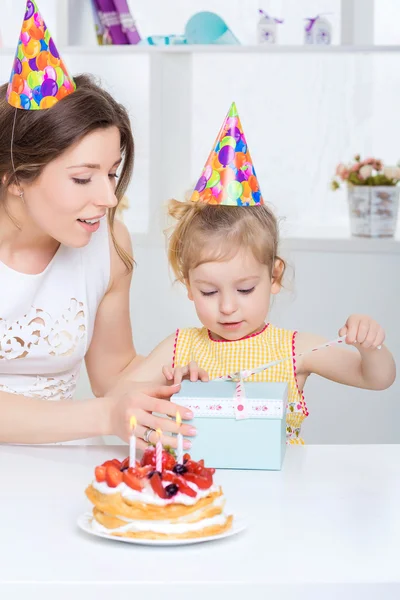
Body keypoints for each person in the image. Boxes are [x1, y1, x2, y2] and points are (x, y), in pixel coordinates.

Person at [129, 103, 396, 444]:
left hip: (280, 495)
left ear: (274, 277)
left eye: (245, 289)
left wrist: (370, 346)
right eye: (209, 292)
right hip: (200, 490)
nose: (227, 307)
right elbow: (120, 398)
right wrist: (168, 389)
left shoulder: (296, 349)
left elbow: (377, 378)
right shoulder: (179, 348)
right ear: (189, 286)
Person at [0, 2, 195, 449]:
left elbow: (114, 376)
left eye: (112, 173)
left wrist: (178, 368)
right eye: (83, 178)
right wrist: (105, 415)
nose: (108, 199)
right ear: (15, 178)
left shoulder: (106, 244)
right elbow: (106, 407)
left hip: (60, 469)